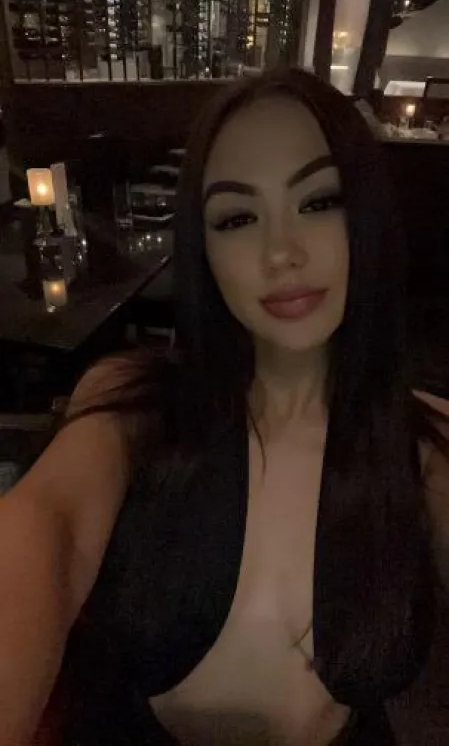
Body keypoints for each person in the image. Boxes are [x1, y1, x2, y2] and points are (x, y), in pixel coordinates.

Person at [1, 68, 449, 746]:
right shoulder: (134, 404)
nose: (281, 252)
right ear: (203, 248)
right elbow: (46, 529)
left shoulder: (424, 446)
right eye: (238, 218)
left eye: (319, 201)